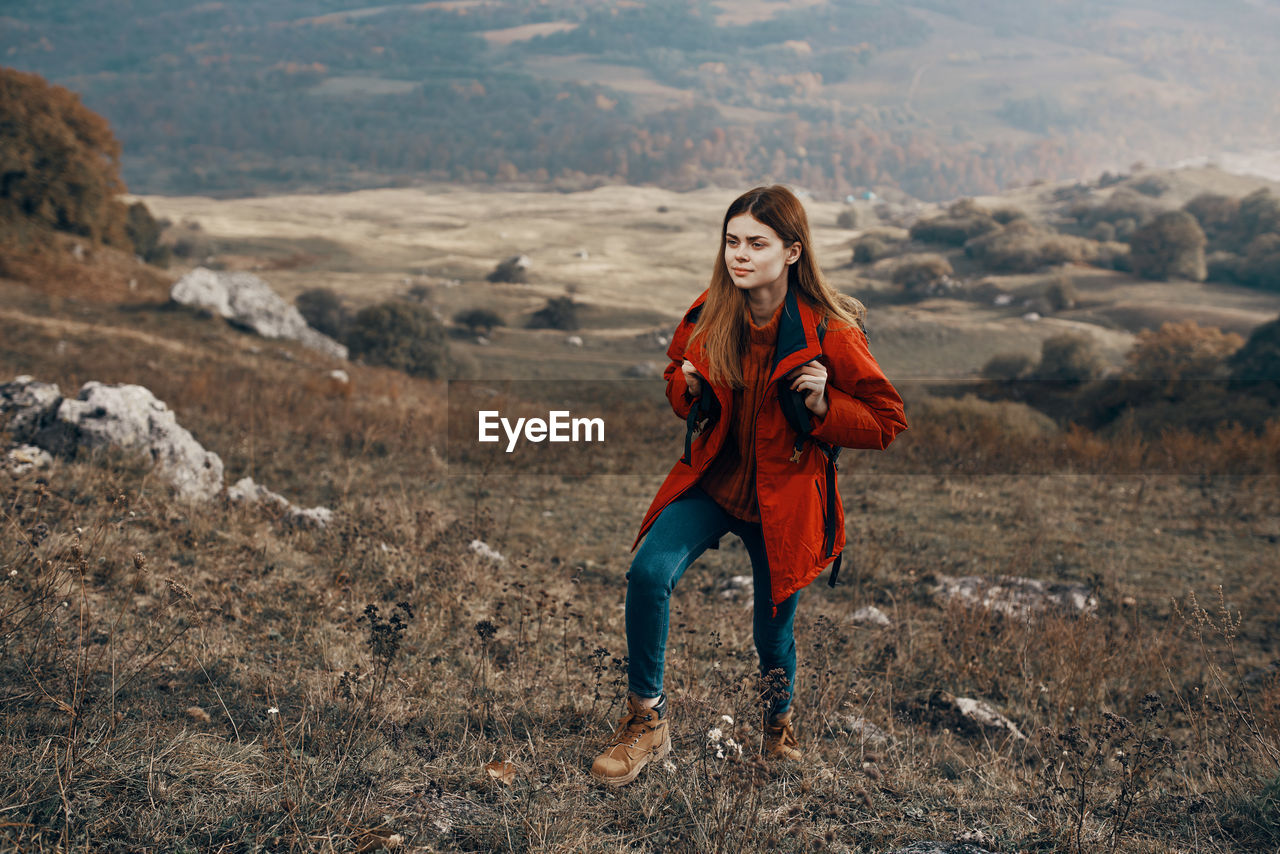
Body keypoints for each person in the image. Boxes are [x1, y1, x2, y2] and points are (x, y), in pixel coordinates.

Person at [589, 185, 909, 787]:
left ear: (791, 252)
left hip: (783, 503)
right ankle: (645, 721)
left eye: (756, 243)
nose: (740, 254)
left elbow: (887, 420)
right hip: (712, 482)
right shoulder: (711, 311)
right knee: (648, 573)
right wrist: (686, 385)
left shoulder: (831, 331)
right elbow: (677, 383)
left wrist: (824, 405)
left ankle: (777, 724)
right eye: (732, 241)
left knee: (772, 631)